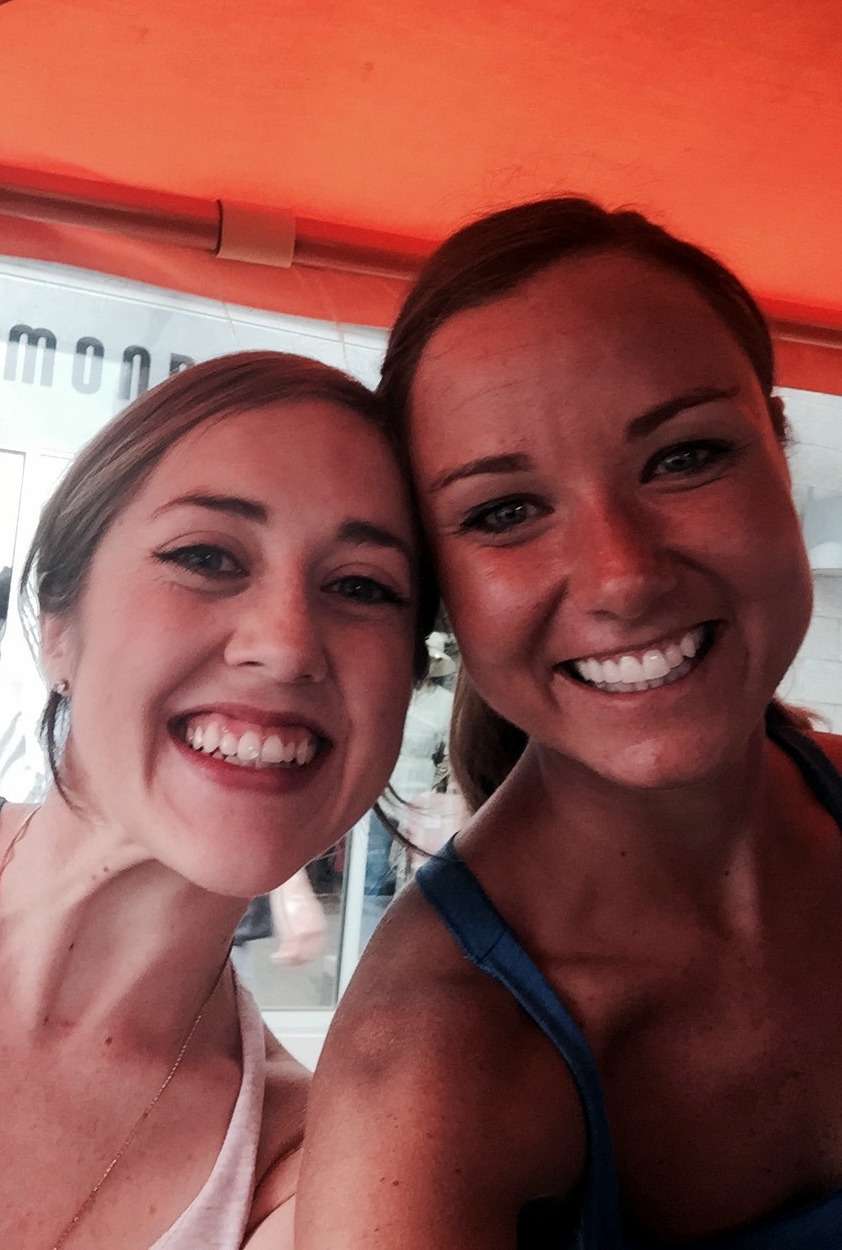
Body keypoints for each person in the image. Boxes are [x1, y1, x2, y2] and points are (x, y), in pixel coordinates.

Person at [296, 200, 842, 1248]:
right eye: (504, 512)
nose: (623, 575)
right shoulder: (425, 1073)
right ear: (441, 590)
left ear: (779, 450)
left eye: (684, 456)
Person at [0, 350, 437, 1250]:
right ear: (57, 625)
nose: (286, 645)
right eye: (206, 557)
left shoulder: (311, 1180)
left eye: (362, 587)